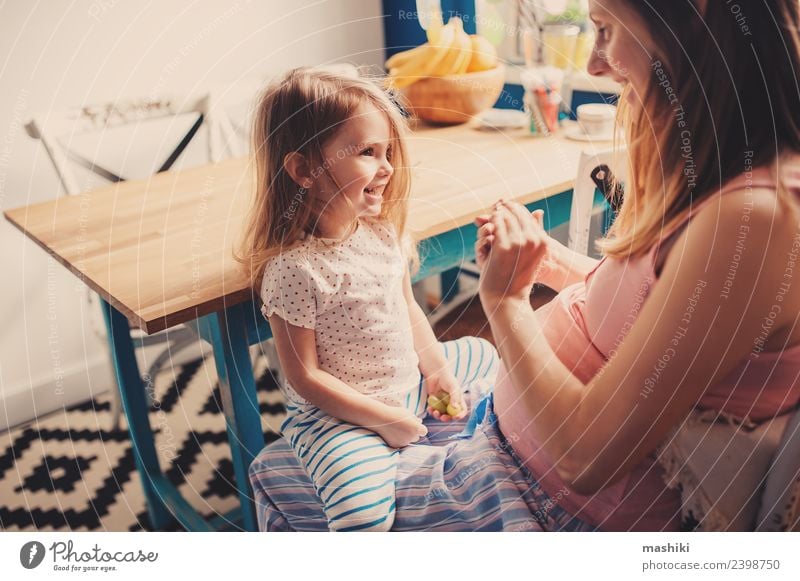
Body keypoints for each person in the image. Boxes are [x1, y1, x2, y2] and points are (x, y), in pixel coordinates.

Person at [249, 0, 800, 532]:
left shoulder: (755, 218)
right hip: (516, 455)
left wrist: (506, 302)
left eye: (604, 28)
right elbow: (659, 309)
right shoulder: (731, 179)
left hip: (541, 501)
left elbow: (586, 458)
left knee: (271, 474)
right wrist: (552, 263)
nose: (594, 63)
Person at [236, 67, 498, 532]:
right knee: (364, 519)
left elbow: (408, 310)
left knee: (483, 354)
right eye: (366, 153)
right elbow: (307, 377)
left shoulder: (380, 236)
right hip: (340, 416)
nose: (387, 167)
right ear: (302, 170)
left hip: (407, 386)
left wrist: (436, 371)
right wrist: (384, 420)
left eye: (387, 152)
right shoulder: (296, 271)